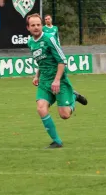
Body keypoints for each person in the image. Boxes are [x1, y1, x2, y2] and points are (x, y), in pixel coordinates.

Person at [26, 13, 87, 149]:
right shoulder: (30, 42)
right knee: (41, 108)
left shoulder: (49, 39)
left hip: (58, 80)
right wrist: (37, 75)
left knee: (64, 115)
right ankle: (57, 141)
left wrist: (57, 80)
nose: (36, 27)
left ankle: (73, 96)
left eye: (38, 24)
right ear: (28, 28)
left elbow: (62, 61)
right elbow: (41, 62)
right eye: (33, 25)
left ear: (42, 26)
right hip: (44, 82)